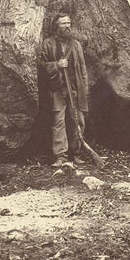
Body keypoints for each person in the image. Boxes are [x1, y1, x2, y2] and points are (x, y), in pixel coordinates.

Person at [39, 14, 89, 168]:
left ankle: (76, 154)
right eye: (63, 24)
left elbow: (83, 68)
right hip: (57, 90)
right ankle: (61, 156)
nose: (67, 26)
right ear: (57, 26)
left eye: (68, 23)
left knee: (77, 121)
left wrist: (85, 90)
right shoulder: (48, 44)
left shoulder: (76, 45)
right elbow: (40, 65)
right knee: (58, 122)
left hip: (75, 89)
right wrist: (56, 65)